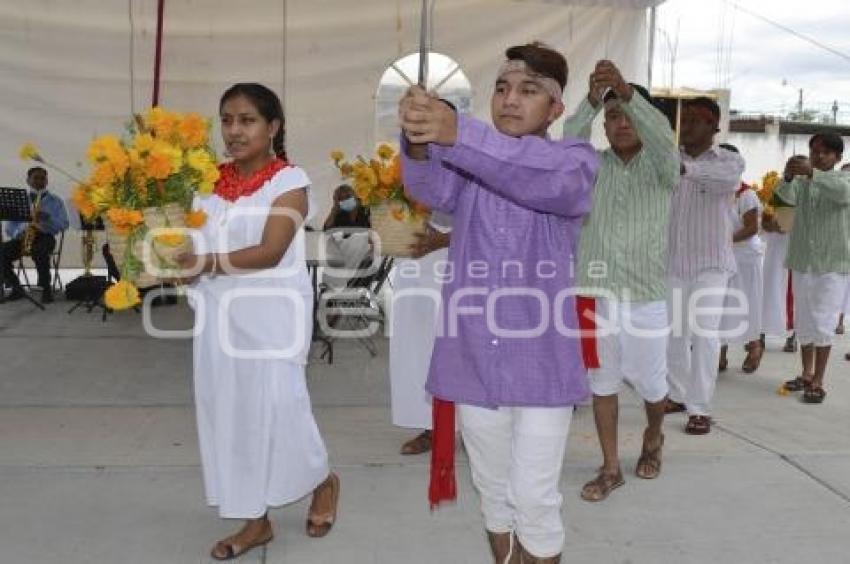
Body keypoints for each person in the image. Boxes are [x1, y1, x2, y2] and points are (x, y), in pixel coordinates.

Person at [400, 41, 599, 563]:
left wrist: (456, 132)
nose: (510, 100)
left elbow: (537, 178)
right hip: (472, 356)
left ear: (556, 109)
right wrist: (419, 138)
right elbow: (428, 186)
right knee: (493, 496)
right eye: (503, 88)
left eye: (529, 91)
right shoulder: (470, 161)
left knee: (535, 498)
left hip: (542, 361)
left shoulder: (573, 160)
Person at [174, 83, 339, 560]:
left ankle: (322, 480)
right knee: (230, 415)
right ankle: (255, 521)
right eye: (227, 119)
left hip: (271, 318)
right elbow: (191, 245)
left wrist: (201, 264)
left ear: (273, 127)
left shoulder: (290, 181)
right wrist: (178, 264)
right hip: (217, 317)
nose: (234, 130)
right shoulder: (207, 184)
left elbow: (270, 251)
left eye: (247, 120)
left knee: (283, 410)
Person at [562, 62, 678, 502]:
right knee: (601, 383)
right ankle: (610, 467)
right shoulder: (590, 166)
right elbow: (567, 143)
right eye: (613, 117)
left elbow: (663, 133)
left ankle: (653, 434)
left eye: (628, 114)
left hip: (645, 297)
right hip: (594, 297)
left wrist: (626, 92)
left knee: (652, 386)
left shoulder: (663, 165)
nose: (621, 123)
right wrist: (594, 100)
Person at [664, 97, 745, 435]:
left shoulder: (729, 160)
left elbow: (722, 182)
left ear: (714, 126)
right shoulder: (668, 156)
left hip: (711, 263)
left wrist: (686, 169)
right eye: (685, 119)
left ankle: (700, 407)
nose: (688, 125)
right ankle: (677, 394)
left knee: (705, 332)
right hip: (672, 261)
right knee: (674, 334)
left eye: (697, 119)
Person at [777, 133, 850, 403]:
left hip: (831, 263)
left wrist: (812, 175)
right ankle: (806, 374)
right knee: (804, 320)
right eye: (814, 152)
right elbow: (782, 205)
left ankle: (819, 380)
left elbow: (843, 195)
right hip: (802, 260)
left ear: (838, 158)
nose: (818, 157)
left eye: (825, 153)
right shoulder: (801, 181)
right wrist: (786, 177)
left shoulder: (844, 179)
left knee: (825, 321)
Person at [389, 214, 451, 455]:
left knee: (462, 345)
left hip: (462, 253)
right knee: (418, 345)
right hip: (416, 253)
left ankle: (472, 425)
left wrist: (447, 239)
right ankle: (430, 425)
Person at [718, 144, 765, 373]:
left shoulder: (747, 194)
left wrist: (722, 241)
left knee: (746, 306)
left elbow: (751, 228)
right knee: (721, 306)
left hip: (745, 258)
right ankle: (721, 354)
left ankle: (755, 347)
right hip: (721, 257)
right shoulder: (712, 190)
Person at [1, 166, 69, 304]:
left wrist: (48, 218)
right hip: (23, 237)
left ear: (47, 181)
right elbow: (9, 228)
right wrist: (19, 232)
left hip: (45, 236)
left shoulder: (56, 201)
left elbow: (64, 224)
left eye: (42, 178)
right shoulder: (19, 200)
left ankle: (46, 288)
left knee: (40, 252)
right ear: (28, 180)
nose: (39, 181)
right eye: (35, 178)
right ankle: (16, 287)